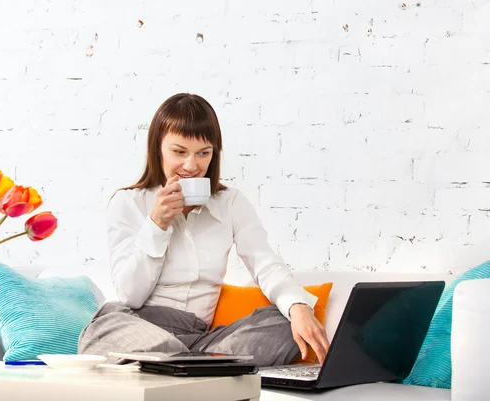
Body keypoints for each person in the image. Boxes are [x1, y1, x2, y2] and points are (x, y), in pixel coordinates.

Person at [78, 93, 330, 366]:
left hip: (203, 339)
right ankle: (203, 367)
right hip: (137, 327)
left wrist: (298, 307)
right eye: (179, 152)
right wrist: (156, 224)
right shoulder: (129, 203)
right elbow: (130, 295)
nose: (191, 166)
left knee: (282, 322)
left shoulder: (231, 203)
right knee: (103, 330)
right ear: (157, 149)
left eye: (203, 153)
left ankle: (183, 367)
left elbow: (265, 263)